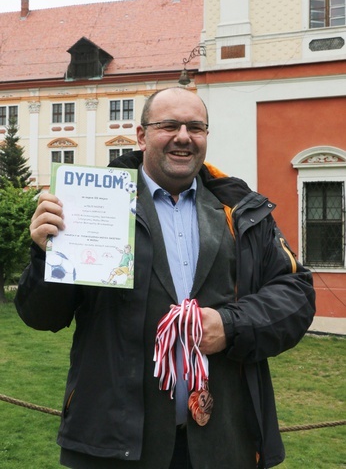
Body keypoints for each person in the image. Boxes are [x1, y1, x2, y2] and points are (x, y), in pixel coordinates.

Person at [15, 87, 315, 469]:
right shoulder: (91, 207)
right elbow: (43, 316)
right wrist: (45, 256)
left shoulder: (241, 210)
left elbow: (296, 295)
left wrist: (231, 325)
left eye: (196, 127)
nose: (183, 137)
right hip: (118, 444)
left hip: (223, 441)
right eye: (168, 125)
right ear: (141, 136)